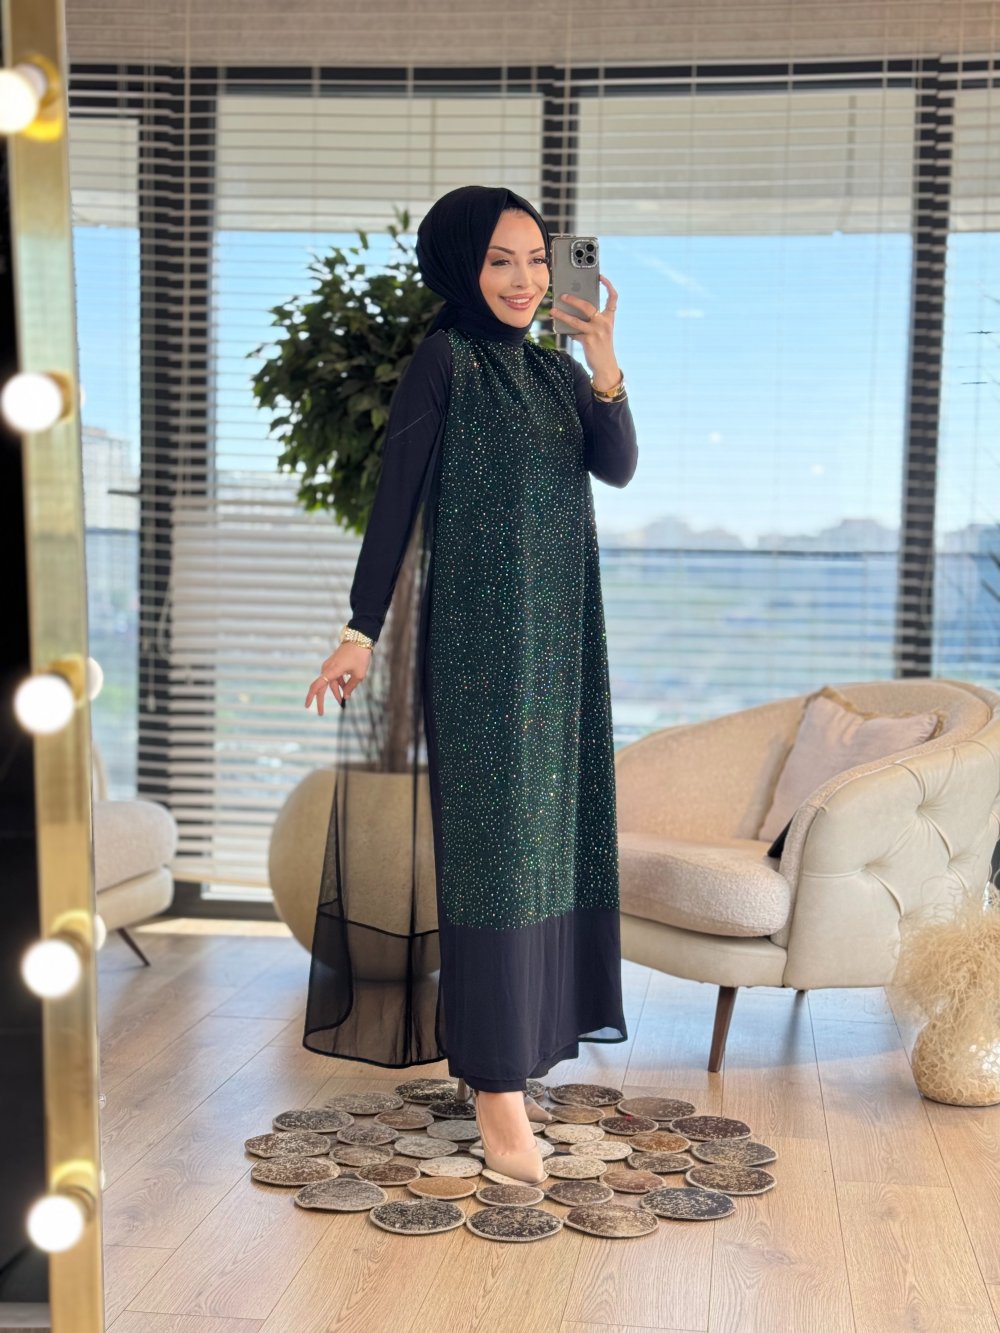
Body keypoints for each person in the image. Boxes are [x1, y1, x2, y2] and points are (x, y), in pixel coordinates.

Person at [303, 184, 638, 1184]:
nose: (524, 279)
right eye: (500, 260)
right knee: (494, 858)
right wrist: (359, 629)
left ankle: (520, 1053)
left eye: (536, 259)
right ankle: (495, 1090)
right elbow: (395, 499)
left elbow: (617, 466)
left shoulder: (556, 371)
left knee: (549, 850)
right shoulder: (444, 362)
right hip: (482, 652)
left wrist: (604, 361)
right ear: (459, 265)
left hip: (564, 644)